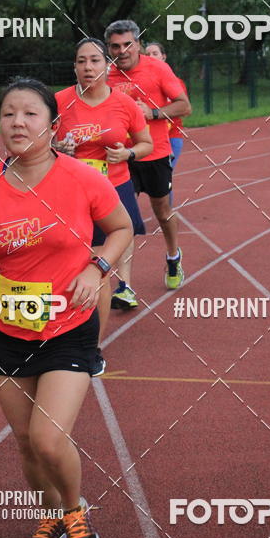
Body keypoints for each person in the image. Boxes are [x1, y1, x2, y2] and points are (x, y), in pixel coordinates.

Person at [0, 77, 132, 538]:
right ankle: (50, 516)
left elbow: (121, 229)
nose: (18, 122)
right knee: (26, 444)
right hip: (7, 326)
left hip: (68, 326)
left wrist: (97, 268)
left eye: (30, 113)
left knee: (48, 438)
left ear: (52, 125)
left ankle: (74, 512)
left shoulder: (82, 178)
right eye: (8, 113)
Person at [55, 38, 153, 370]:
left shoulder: (124, 104)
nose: (88, 67)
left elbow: (145, 143)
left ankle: (92, 347)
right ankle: (59, 334)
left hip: (113, 192)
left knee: (98, 270)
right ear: (74, 67)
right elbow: (38, 145)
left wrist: (127, 153)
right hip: (70, 194)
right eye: (81, 61)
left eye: (95, 60)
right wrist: (57, 149)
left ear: (107, 66)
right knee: (66, 267)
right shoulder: (59, 102)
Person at [105, 20, 192, 289]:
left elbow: (184, 107)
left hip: (155, 153)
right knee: (123, 218)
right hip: (121, 157)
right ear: (108, 48)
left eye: (127, 44)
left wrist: (152, 113)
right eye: (115, 46)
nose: (122, 51)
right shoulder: (104, 74)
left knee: (162, 212)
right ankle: (125, 286)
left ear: (138, 44)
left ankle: (173, 256)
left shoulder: (157, 68)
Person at [145, 41, 188, 204]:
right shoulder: (141, 82)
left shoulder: (176, 82)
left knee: (164, 177)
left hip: (172, 137)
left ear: (163, 57)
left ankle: (166, 213)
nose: (151, 57)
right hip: (148, 137)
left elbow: (185, 109)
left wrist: (156, 112)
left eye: (155, 53)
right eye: (147, 54)